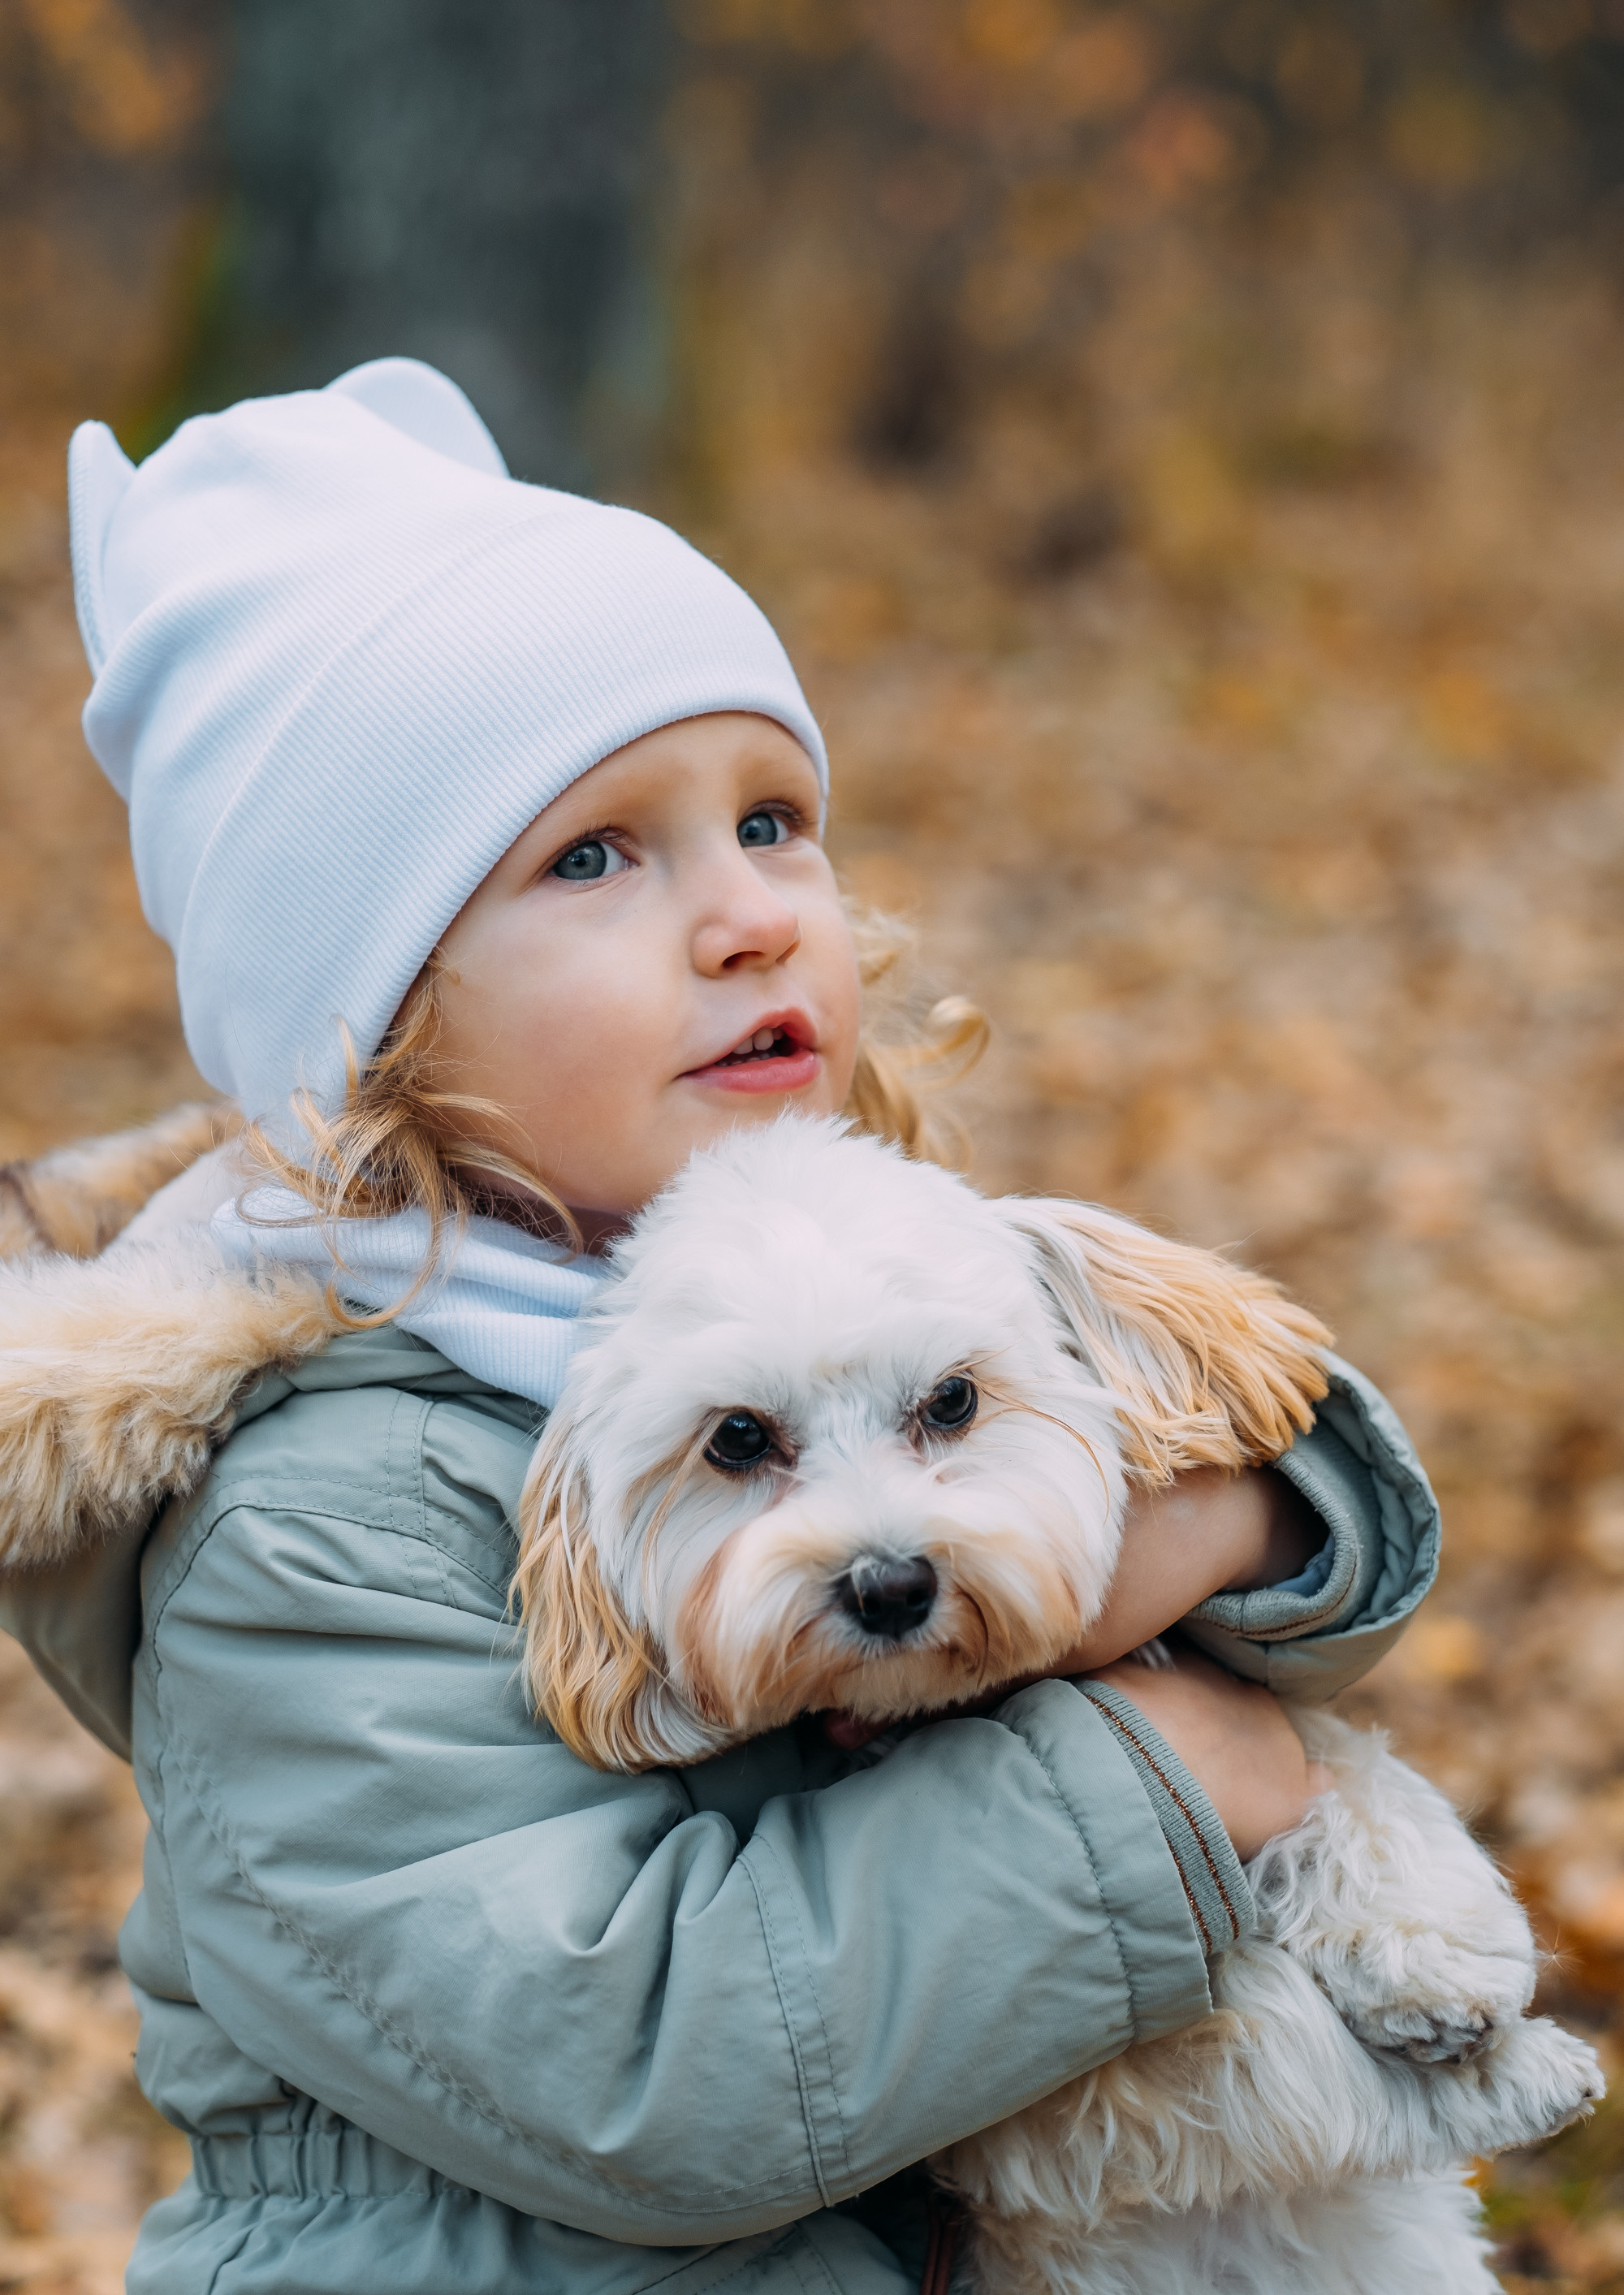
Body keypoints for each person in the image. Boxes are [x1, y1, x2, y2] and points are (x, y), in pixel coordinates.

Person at [3, 360, 1436, 2295]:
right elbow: (652, 2075)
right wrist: (1172, 1775)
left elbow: (1233, 1406)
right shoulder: (317, 1512)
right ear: (373, 1037)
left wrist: (1236, 1526)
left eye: (774, 820)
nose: (750, 916)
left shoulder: (800, 1278)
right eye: (593, 856)